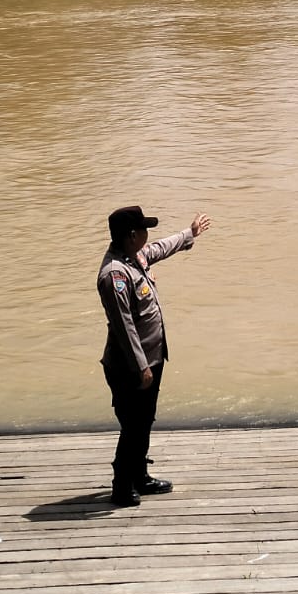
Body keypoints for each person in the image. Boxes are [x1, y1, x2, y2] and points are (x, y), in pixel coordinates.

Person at [96, 204, 212, 507]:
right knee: (133, 425)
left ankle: (140, 477)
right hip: (131, 366)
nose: (149, 235)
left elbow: (161, 247)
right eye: (144, 229)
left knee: (144, 421)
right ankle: (122, 485)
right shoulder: (115, 276)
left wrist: (190, 233)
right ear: (132, 235)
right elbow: (124, 327)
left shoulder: (135, 257)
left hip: (151, 358)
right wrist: (142, 367)